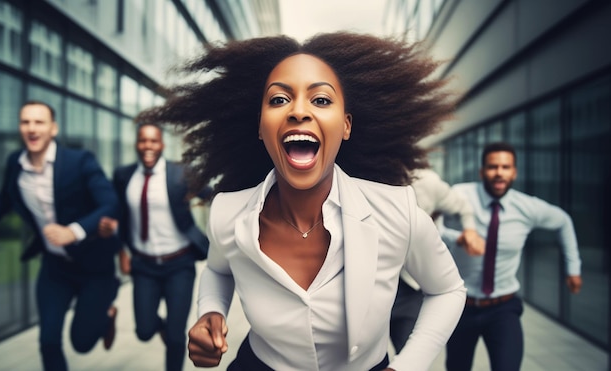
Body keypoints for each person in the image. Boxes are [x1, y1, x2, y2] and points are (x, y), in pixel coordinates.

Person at [136, 32, 467, 371]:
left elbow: (447, 290)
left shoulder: (397, 211)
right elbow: (218, 270)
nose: (298, 111)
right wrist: (210, 312)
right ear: (261, 128)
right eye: (279, 100)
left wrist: (408, 365)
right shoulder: (228, 213)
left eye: (321, 100)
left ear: (346, 125)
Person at [0, 101, 121, 371]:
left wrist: (73, 231)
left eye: (39, 122)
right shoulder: (16, 163)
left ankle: (106, 315)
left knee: (81, 342)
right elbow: (3, 201)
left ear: (53, 128)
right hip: (55, 268)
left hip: (95, 267)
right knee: (48, 341)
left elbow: (110, 203)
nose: (32, 128)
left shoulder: (80, 161)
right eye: (25, 122)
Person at [441, 142, 583, 371]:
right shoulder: (460, 195)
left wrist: (573, 268)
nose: (499, 172)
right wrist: (457, 238)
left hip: (503, 307)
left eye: (505, 167)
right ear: (481, 171)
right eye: (492, 167)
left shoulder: (526, 207)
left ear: (514, 172)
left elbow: (563, 221)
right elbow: (429, 223)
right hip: (461, 306)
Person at [98, 122, 210, 371]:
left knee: (176, 336)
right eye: (143, 140)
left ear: (162, 144)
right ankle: (160, 330)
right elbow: (117, 216)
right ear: (137, 144)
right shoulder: (123, 176)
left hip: (180, 263)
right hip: (144, 265)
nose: (147, 146)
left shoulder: (181, 173)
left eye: (153, 141)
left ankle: (172, 339)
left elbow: (211, 194)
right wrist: (121, 252)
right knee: (145, 331)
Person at [389, 168, 485, 352]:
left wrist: (470, 230)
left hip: (409, 286)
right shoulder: (355, 179)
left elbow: (463, 207)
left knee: (410, 355)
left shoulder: (427, 181)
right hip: (368, 286)